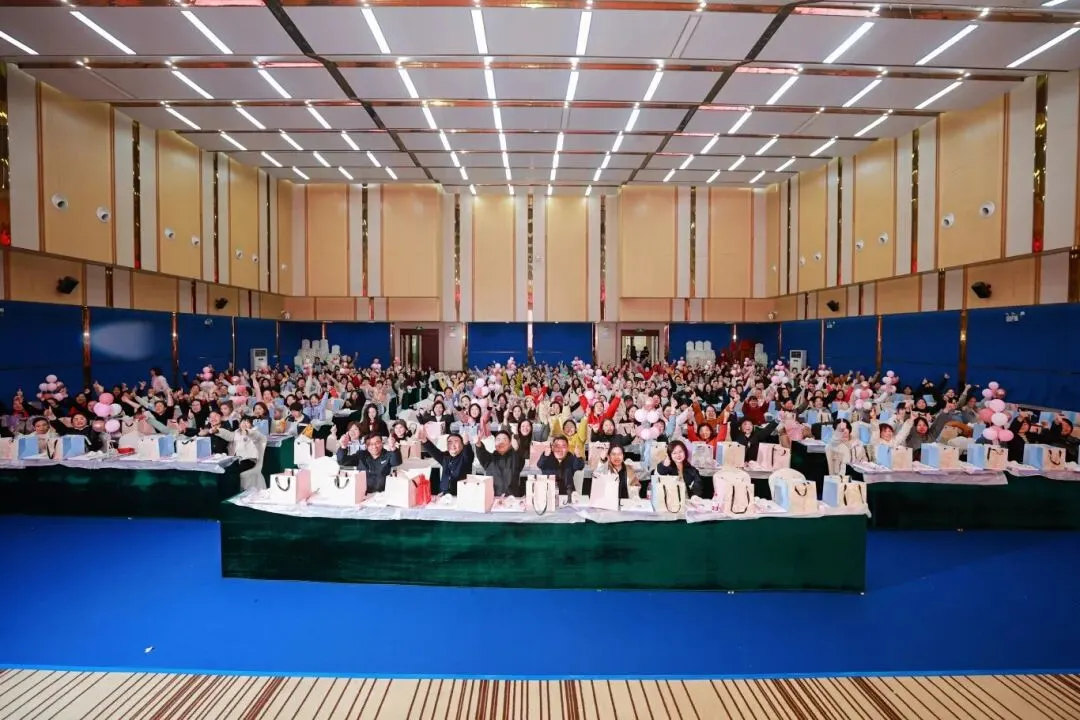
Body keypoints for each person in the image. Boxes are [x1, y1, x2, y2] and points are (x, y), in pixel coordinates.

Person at [419, 427, 473, 496]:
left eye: (456, 441)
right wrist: (424, 440)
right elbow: (433, 451)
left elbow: (468, 453)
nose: (453, 445)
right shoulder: (445, 457)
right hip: (443, 495)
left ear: (462, 445)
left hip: (460, 495)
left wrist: (466, 443)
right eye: (449, 442)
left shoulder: (465, 458)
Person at [473, 429, 526, 497]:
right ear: (495, 443)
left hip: (512, 499)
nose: (501, 442)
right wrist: (478, 443)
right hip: (493, 498)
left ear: (510, 444)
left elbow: (521, 460)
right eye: (498, 440)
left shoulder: (515, 458)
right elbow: (482, 453)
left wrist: (516, 449)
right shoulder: (489, 459)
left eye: (504, 440)